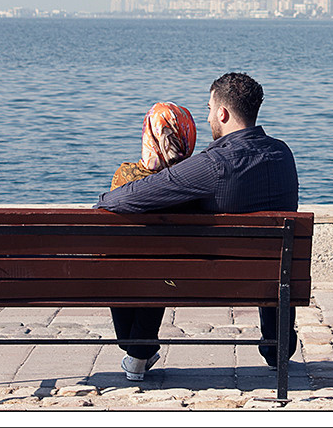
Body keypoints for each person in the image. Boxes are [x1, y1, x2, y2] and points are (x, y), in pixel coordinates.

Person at [94, 72, 300, 380]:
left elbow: (136, 195)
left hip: (206, 279)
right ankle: (277, 348)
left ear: (222, 112)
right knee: (274, 257)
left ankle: (138, 348)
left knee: (155, 241)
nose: (207, 119)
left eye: (208, 109)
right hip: (270, 275)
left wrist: (104, 199)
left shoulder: (214, 164)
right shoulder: (283, 154)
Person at [103, 101, 198, 381]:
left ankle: (137, 351)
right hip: (182, 277)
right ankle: (139, 351)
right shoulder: (194, 178)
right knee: (160, 268)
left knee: (127, 265)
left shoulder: (125, 176)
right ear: (186, 135)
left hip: (124, 276)